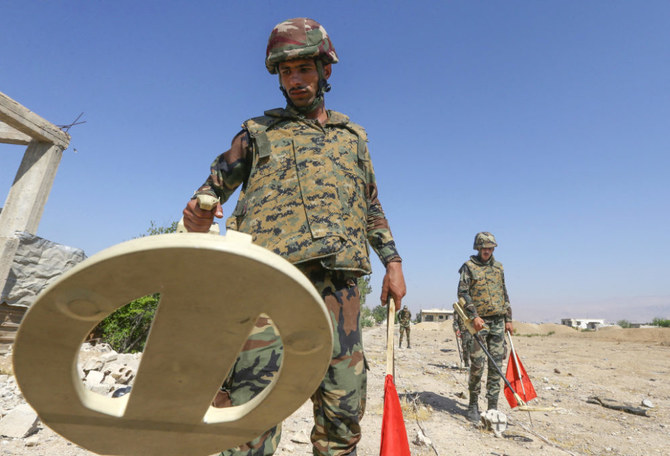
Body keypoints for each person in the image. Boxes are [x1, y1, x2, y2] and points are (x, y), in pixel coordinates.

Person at [182, 18, 406, 456]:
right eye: (286, 72)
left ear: (325, 71)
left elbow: (371, 205)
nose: (295, 80)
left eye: (304, 69)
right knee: (248, 415)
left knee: (343, 411)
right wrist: (199, 211)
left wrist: (393, 263)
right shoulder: (255, 134)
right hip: (266, 285)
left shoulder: (353, 138)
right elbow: (211, 189)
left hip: (338, 289)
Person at [457, 232, 513, 423]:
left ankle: (492, 406)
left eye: (490, 248)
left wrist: (508, 319)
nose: (487, 251)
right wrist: (474, 316)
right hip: (479, 324)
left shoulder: (499, 268)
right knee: (477, 365)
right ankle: (473, 404)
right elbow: (462, 293)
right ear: (478, 248)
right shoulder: (469, 267)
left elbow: (504, 293)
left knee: (496, 366)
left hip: (498, 322)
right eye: (484, 248)